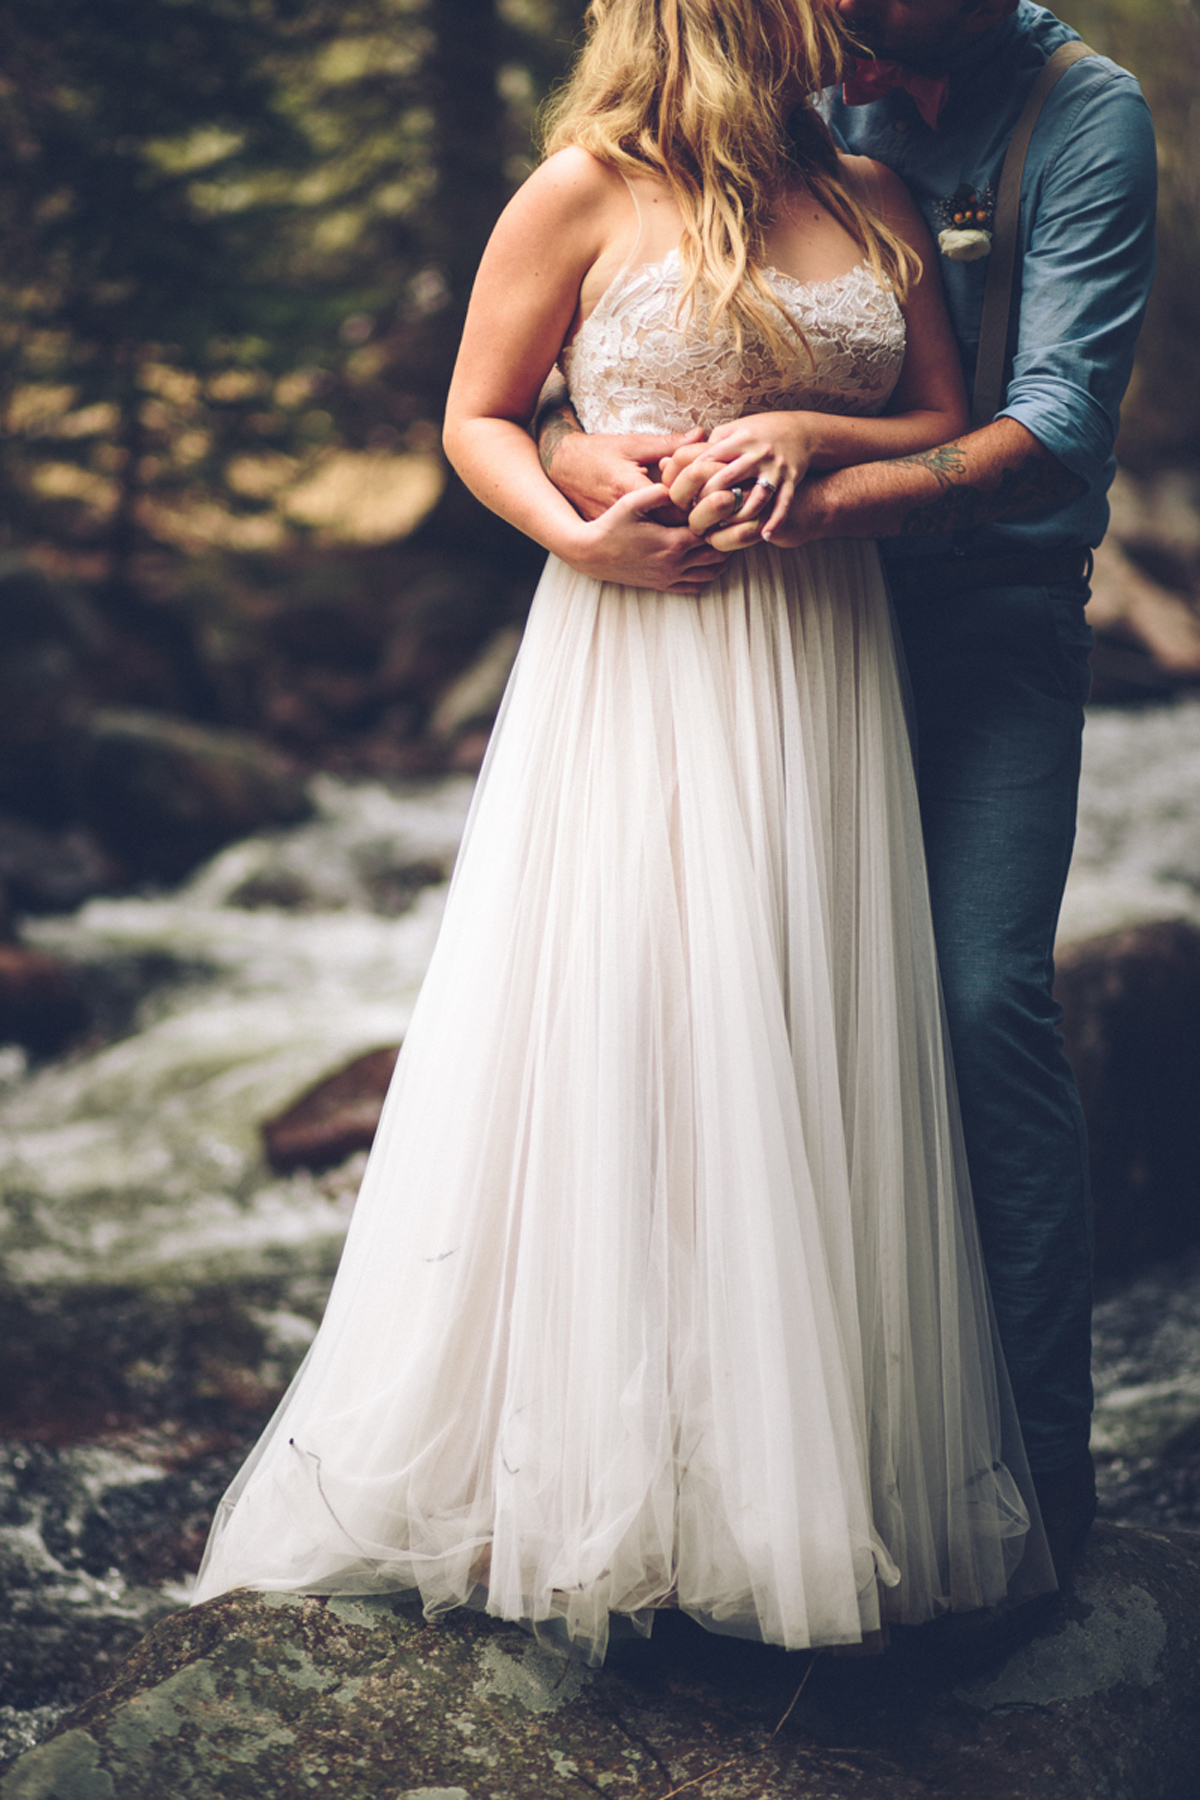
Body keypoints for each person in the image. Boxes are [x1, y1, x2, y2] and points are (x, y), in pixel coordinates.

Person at [191, 0, 1055, 1663]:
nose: (852, 25)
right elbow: (477, 417)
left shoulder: (873, 199)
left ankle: (792, 1487)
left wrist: (810, 439)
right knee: (643, 1031)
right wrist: (581, 537)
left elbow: (944, 424)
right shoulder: (581, 189)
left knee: (802, 1041)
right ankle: (602, 1479)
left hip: (821, 667)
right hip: (640, 659)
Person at [538, 0, 1158, 1580]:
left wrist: (815, 497)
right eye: (829, 27)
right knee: (745, 1015)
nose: (842, 61)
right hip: (786, 646)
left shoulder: (1081, 120)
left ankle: (1032, 1490)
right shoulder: (801, 104)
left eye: (866, 29)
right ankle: (740, 1465)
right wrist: (579, 449)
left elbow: (1051, 431)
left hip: (985, 626)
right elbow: (623, 334)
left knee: (973, 1003)